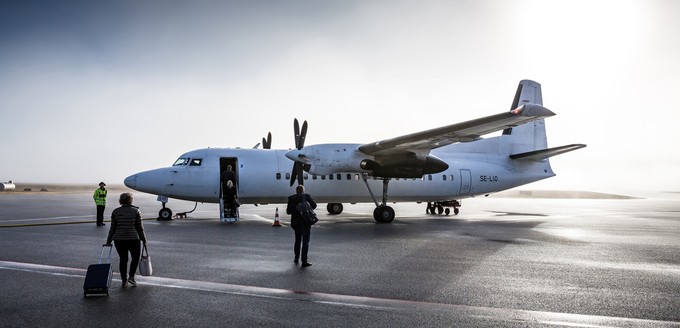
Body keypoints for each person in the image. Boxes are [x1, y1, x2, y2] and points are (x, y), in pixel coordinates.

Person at [105, 192, 147, 288]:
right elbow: (140, 227)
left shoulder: (115, 211)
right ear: (131, 200)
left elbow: (112, 228)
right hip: (133, 239)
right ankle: (131, 277)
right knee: (135, 258)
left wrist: (108, 241)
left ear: (120, 201)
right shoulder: (136, 211)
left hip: (119, 239)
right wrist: (144, 239)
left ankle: (124, 280)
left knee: (123, 259)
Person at [286, 185, 316, 267]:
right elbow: (314, 206)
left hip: (296, 223)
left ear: (296, 191)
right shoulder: (306, 197)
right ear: (303, 191)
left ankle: (296, 258)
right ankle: (304, 260)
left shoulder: (291, 198)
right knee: (305, 242)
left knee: (297, 240)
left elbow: (288, 211)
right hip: (306, 222)